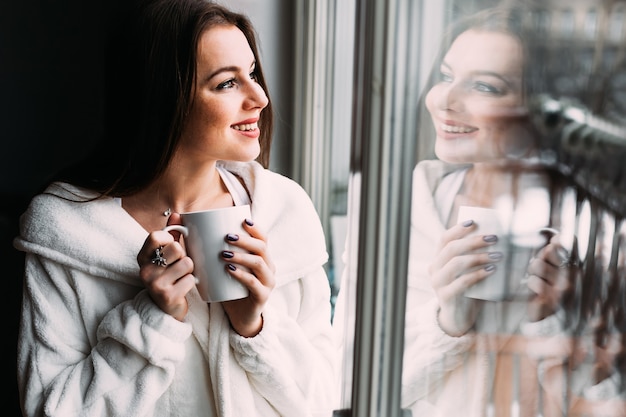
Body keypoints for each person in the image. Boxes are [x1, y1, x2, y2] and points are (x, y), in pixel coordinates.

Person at [14, 1, 336, 416]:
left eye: (252, 73)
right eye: (226, 84)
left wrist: (256, 326)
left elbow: (324, 399)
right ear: (164, 98)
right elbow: (46, 409)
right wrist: (151, 319)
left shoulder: (286, 212)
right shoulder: (68, 233)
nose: (260, 97)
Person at [399, 5, 626, 417]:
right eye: (446, 77)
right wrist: (448, 321)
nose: (445, 101)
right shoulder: (404, 205)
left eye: (485, 88)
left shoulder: (596, 232)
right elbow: (347, 379)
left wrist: (557, 322)